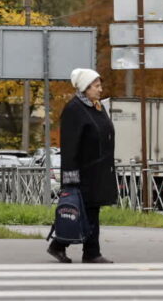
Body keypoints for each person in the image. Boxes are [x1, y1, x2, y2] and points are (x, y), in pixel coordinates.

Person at [49, 68, 116, 264]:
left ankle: (63, 246)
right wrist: (70, 179)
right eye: (96, 86)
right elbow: (70, 145)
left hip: (98, 171)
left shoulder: (97, 107)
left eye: (100, 85)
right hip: (82, 172)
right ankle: (89, 252)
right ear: (85, 88)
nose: (100, 89)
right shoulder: (74, 109)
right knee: (80, 211)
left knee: (89, 211)